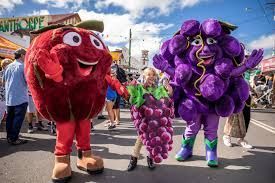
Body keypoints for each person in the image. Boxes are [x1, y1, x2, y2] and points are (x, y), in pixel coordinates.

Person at [127, 67, 173, 171]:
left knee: (153, 139)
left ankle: (150, 158)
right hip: (144, 120)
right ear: (144, 76)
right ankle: (133, 159)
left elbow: (166, 100)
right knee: (141, 139)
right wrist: (134, 90)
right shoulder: (139, 88)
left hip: (155, 119)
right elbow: (131, 100)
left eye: (153, 75)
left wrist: (170, 92)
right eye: (149, 75)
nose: (151, 77)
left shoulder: (159, 88)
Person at [2, 48, 28, 145]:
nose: (26, 57)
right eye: (25, 55)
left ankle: (10, 136)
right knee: (17, 119)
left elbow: (3, 81)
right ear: (22, 55)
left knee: (10, 118)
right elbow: (27, 81)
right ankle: (14, 138)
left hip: (10, 97)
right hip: (20, 97)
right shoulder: (23, 66)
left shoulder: (8, 66)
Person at [0, 58, 13, 125]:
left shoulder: (12, 74)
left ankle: (12, 131)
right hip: (2, 97)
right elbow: (2, 83)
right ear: (3, 65)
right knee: (1, 114)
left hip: (10, 98)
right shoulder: (1, 73)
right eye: (7, 65)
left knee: (10, 115)